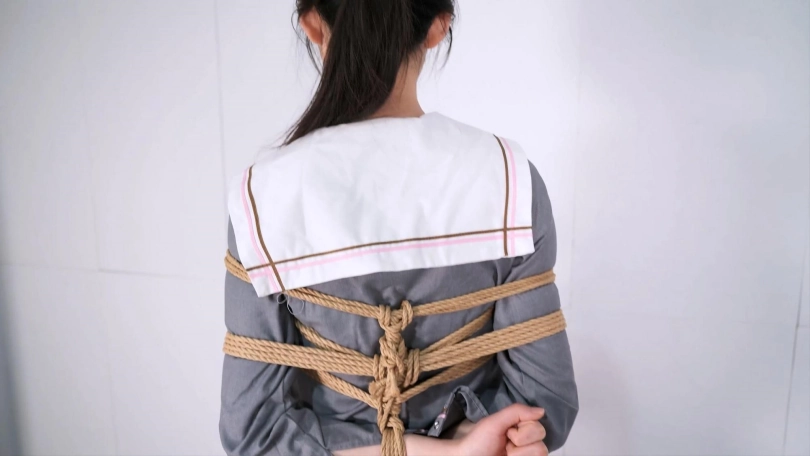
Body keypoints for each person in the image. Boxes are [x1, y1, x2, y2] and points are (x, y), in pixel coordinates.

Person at [219, 1, 578, 455]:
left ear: (312, 25)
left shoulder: (263, 198)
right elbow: (544, 407)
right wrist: (457, 444)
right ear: (438, 27)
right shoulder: (509, 181)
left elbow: (253, 434)